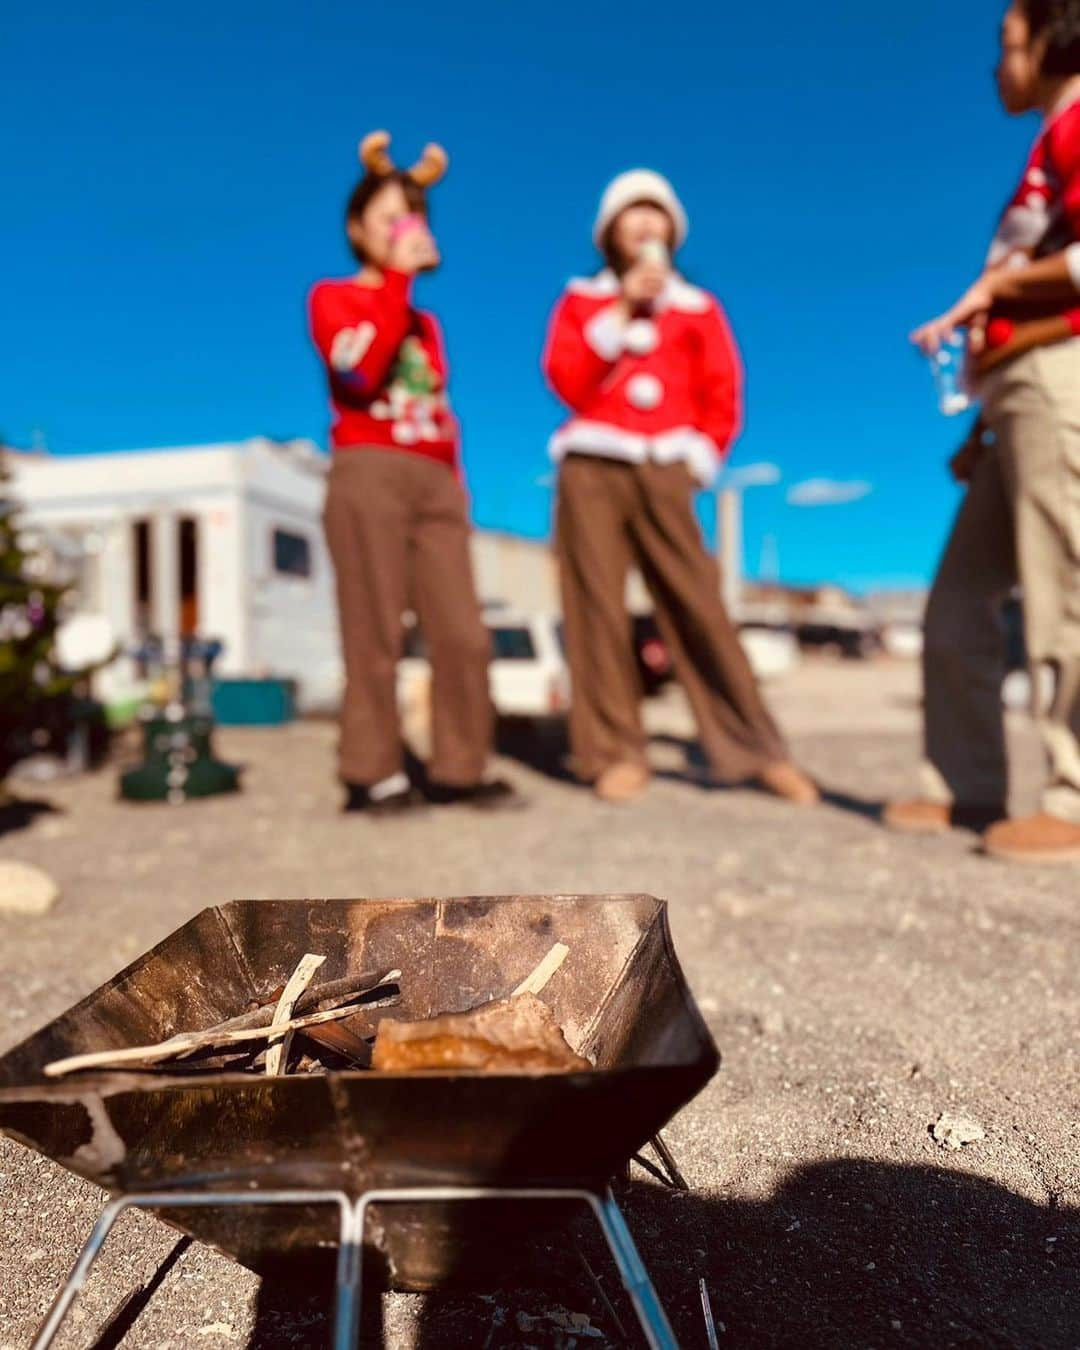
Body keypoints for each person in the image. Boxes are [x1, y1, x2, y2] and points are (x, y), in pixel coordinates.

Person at [542, 169, 819, 806]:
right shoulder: (584, 301)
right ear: (609, 233)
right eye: (631, 215)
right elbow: (567, 379)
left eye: (656, 215)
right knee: (595, 608)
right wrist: (617, 314)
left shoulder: (698, 308)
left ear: (672, 230)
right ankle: (612, 750)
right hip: (592, 461)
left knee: (699, 602)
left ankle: (753, 748)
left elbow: (723, 390)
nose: (645, 225)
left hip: (667, 464)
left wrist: (701, 456)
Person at [886, 0, 1080, 862]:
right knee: (960, 601)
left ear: (1054, 37)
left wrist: (994, 293)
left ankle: (1075, 796)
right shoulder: (1046, 145)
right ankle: (967, 785)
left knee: (1062, 585)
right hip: (1013, 402)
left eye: (1007, 45)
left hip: (1058, 374)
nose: (997, 65)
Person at [308, 132, 519, 815]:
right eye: (390, 220)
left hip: (434, 478)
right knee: (374, 629)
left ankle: (461, 766)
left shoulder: (427, 325)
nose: (407, 231)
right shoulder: (334, 297)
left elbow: (436, 404)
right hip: (368, 466)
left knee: (462, 631)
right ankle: (371, 771)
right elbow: (359, 372)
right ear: (357, 230)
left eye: (414, 218)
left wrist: (456, 485)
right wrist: (397, 278)